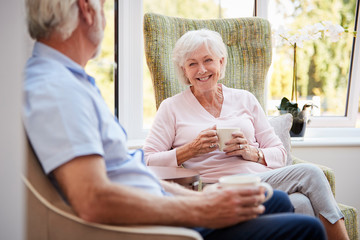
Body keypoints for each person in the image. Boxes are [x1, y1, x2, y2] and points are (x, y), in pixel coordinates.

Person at [23, 0, 327, 239]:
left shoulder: (71, 82)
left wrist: (200, 198)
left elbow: (130, 170)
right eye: (103, 6)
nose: (105, 17)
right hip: (154, 223)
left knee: (278, 201)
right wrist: (200, 205)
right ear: (86, 10)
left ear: (221, 63)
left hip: (176, 196)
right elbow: (93, 199)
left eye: (208, 60)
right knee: (307, 229)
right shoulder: (56, 89)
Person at [143, 29, 348, 240]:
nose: (202, 69)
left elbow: (280, 154)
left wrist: (251, 152)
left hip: (261, 180)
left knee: (301, 202)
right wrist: (190, 150)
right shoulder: (171, 108)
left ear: (221, 63)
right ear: (183, 70)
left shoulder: (245, 99)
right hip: (217, 186)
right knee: (310, 176)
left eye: (208, 60)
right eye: (192, 63)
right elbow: (147, 160)